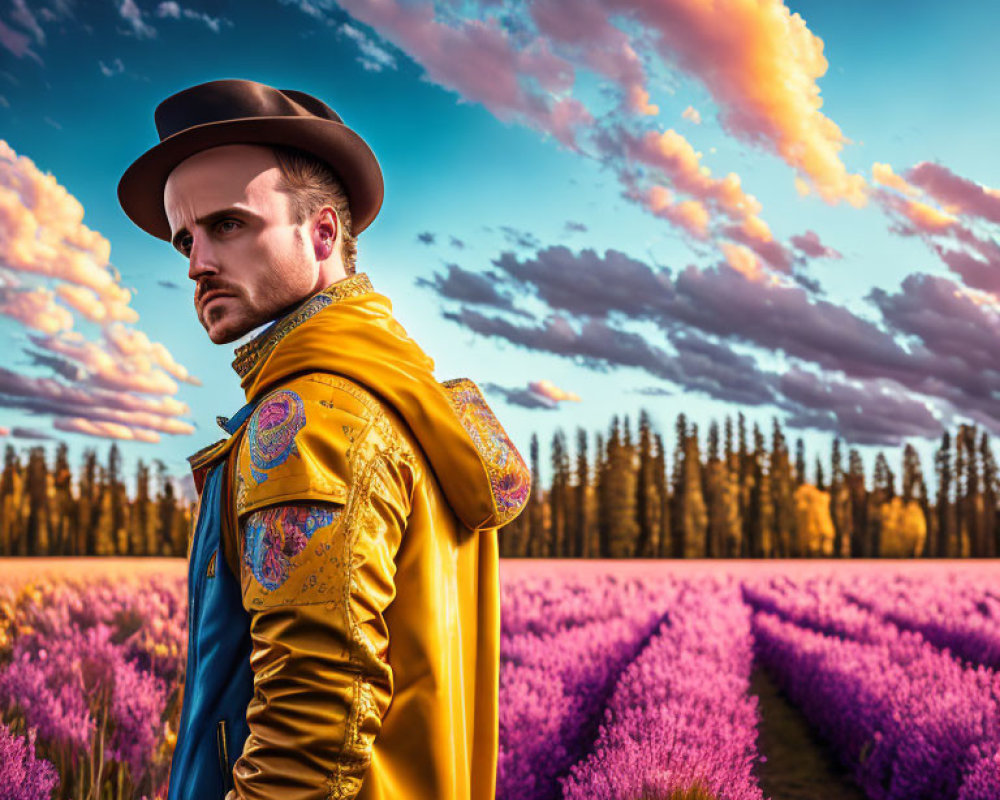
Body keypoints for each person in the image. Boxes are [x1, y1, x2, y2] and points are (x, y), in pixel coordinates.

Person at [117, 78, 531, 800]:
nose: (195, 263)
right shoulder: (400, 395)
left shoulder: (310, 424)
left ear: (323, 235)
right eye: (187, 238)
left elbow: (312, 731)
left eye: (230, 225)